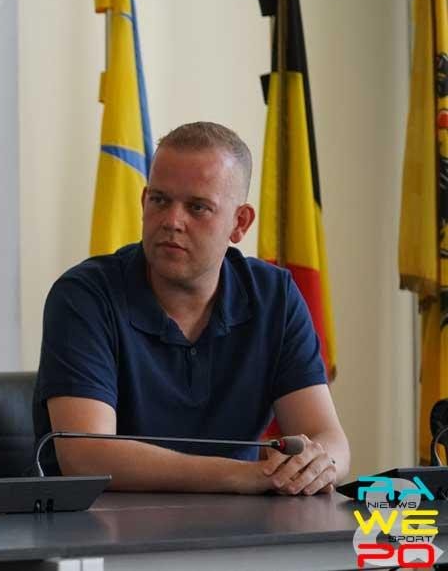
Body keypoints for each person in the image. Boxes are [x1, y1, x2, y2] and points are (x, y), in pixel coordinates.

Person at [34, 121, 349, 495]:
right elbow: (85, 457)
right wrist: (247, 475)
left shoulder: (273, 296)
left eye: (197, 207)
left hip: (241, 533)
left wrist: (317, 464)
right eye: (160, 200)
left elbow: (330, 441)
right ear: (143, 201)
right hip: (108, 535)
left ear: (240, 223)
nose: (172, 221)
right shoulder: (84, 295)